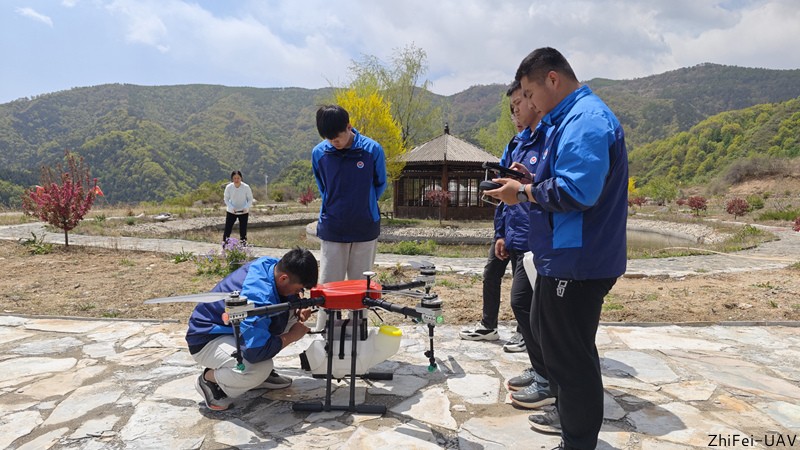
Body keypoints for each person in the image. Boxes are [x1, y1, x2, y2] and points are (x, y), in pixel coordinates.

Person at [485, 47, 628, 450]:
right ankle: (571, 427)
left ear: (552, 80)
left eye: (529, 94)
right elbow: (564, 179)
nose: (527, 104)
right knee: (557, 347)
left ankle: (578, 442)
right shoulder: (566, 120)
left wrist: (525, 191)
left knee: (572, 358)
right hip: (562, 256)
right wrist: (532, 179)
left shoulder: (585, 120)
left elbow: (580, 190)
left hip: (580, 260)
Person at [186, 248, 319, 411]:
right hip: (206, 339)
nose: (300, 293)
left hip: (232, 330)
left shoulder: (271, 265)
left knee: (289, 312)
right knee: (256, 369)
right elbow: (257, 352)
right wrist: (292, 336)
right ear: (284, 278)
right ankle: (210, 380)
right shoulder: (256, 298)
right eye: (300, 289)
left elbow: (282, 300)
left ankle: (260, 379)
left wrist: (298, 309)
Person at [311, 105, 387, 330]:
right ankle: (324, 332)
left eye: (338, 137)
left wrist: (363, 204)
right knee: (329, 284)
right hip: (333, 227)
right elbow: (323, 186)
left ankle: (358, 330)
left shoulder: (372, 150)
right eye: (329, 138)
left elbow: (379, 184)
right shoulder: (319, 153)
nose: (334, 142)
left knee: (359, 285)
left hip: (364, 227)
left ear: (349, 126)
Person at [222, 170, 253, 245]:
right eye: (234, 178)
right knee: (227, 230)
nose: (236, 180)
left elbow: (250, 199)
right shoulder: (229, 187)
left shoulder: (246, 187)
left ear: (241, 178)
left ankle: (243, 248)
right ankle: (224, 248)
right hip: (231, 211)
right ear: (232, 179)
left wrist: (246, 207)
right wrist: (231, 207)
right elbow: (226, 199)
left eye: (238, 178)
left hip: (243, 211)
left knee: (243, 231)